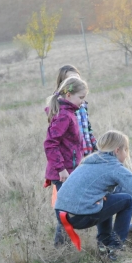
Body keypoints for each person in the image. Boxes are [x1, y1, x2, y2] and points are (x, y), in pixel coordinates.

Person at [53, 130, 132, 260]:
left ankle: (104, 244)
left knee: (108, 198)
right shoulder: (113, 167)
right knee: (127, 200)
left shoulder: (89, 161)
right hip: (80, 216)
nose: (126, 155)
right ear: (117, 150)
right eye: (126, 150)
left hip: (62, 214)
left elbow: (120, 191)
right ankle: (115, 248)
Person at [44, 76, 89, 247]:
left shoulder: (69, 113)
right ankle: (61, 248)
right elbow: (50, 143)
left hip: (71, 169)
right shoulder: (64, 115)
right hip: (62, 173)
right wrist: (61, 168)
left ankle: (63, 246)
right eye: (81, 98)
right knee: (64, 212)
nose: (82, 102)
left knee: (70, 209)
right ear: (69, 95)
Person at [56, 65, 97, 156]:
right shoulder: (60, 108)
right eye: (72, 79)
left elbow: (88, 129)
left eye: (78, 78)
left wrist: (97, 148)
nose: (77, 82)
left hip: (87, 154)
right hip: (72, 159)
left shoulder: (82, 104)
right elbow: (55, 141)